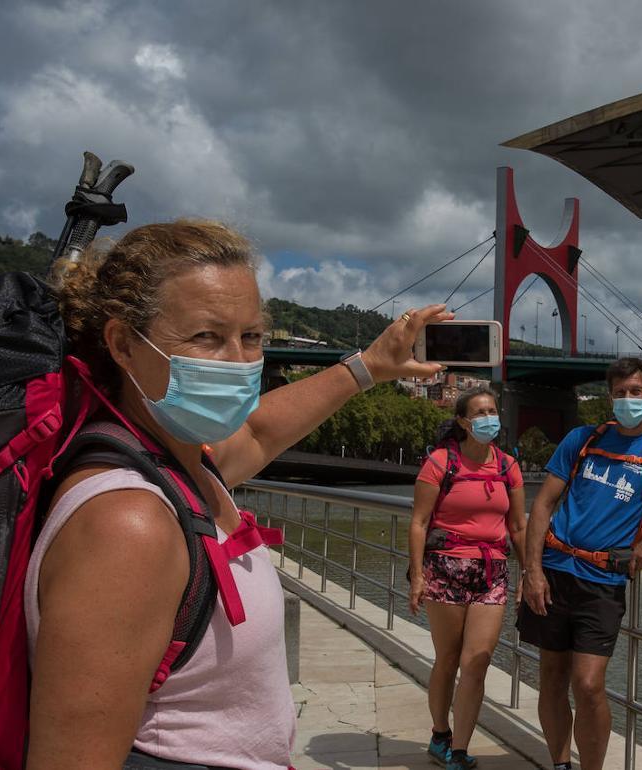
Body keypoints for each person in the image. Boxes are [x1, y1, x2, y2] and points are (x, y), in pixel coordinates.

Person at [28, 219, 452, 770]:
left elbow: (257, 431)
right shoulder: (127, 523)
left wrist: (369, 366)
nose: (239, 361)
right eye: (206, 337)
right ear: (123, 345)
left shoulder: (181, 467)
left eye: (251, 337)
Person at [518, 358, 642, 770]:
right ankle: (560, 763)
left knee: (588, 685)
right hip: (553, 570)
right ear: (609, 397)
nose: (628, 400)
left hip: (602, 581)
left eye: (636, 392)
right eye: (620, 393)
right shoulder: (582, 439)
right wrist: (531, 572)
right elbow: (544, 504)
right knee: (551, 676)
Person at [408, 387, 527, 770]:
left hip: (491, 571)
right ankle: (440, 734)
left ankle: (459, 750)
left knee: (477, 659)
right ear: (463, 421)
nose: (488, 418)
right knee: (448, 658)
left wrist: (529, 573)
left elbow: (519, 527)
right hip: (445, 568)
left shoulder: (508, 466)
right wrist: (416, 577)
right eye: (480, 412)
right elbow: (419, 522)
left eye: (492, 410)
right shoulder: (442, 462)